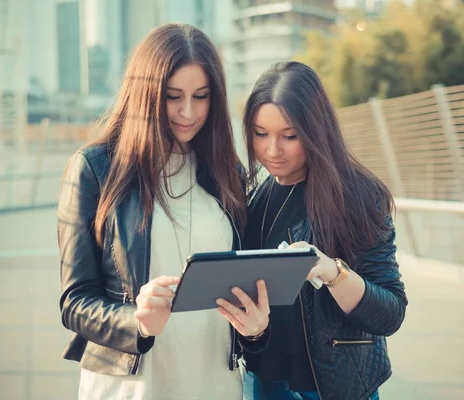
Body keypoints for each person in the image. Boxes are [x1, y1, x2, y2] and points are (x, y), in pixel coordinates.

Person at [57, 23, 269, 400]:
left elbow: (245, 280)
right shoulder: (94, 168)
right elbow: (75, 302)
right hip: (129, 387)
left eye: (201, 96)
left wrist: (255, 329)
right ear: (146, 94)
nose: (188, 112)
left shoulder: (227, 172)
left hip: (213, 384)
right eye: (173, 96)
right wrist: (135, 321)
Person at [239, 61, 408, 400]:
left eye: (290, 136)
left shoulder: (356, 195)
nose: (272, 151)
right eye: (261, 134)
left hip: (334, 386)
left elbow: (390, 311)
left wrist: (332, 272)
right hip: (264, 382)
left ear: (316, 130)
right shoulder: (254, 194)